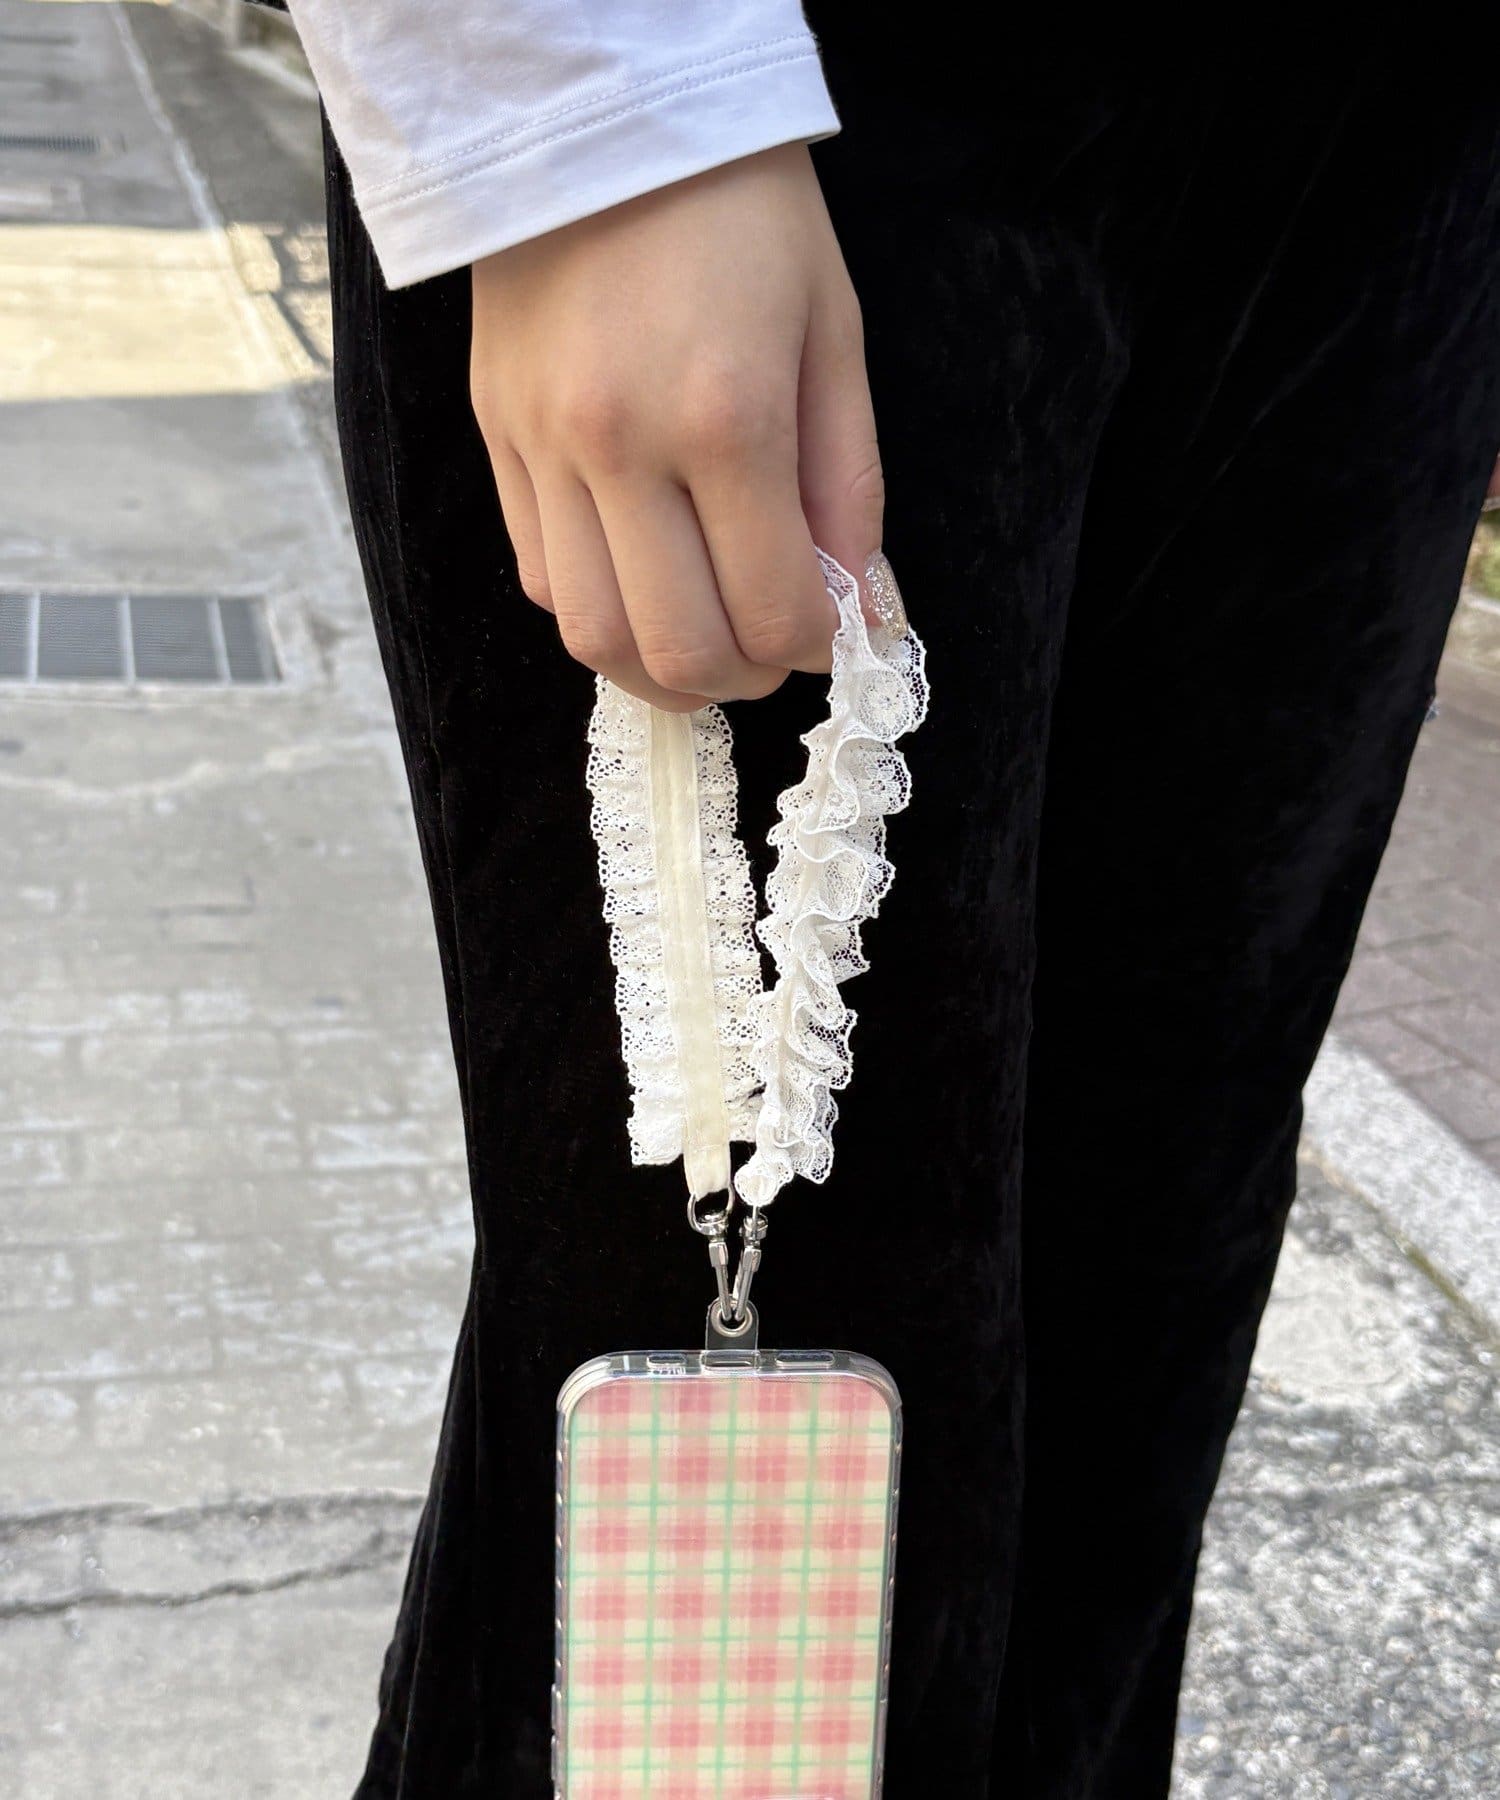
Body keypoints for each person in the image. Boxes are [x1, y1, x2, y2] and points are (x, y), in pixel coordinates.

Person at [277, 4, 1500, 1793]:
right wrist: (578, 105)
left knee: (1134, 1365)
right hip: (792, 102)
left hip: (1404, 156)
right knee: (706, 1585)